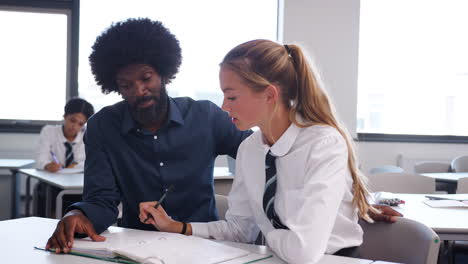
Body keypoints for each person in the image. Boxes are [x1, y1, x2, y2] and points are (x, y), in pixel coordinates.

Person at [46, 19, 400, 254]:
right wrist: (80, 215)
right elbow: (102, 197)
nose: (139, 90)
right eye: (126, 85)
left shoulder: (211, 119)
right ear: (115, 86)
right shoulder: (105, 126)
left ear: (164, 72)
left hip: (218, 250)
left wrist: (352, 200)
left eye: (147, 78)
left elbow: (285, 157)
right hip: (146, 244)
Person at [138, 40, 401, 263]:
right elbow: (241, 230)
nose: (224, 107)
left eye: (231, 97)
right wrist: (177, 227)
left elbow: (304, 252)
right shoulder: (250, 149)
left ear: (269, 95)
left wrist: (264, 226)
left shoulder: (323, 144)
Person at [34, 97, 94, 216]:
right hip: (52, 183)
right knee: (48, 192)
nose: (75, 126)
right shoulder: (49, 131)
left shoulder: (88, 136)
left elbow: (91, 161)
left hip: (77, 184)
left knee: (87, 195)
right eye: (72, 120)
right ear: (65, 116)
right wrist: (47, 165)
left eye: (81, 124)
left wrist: (77, 165)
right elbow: (40, 158)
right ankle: (52, 221)